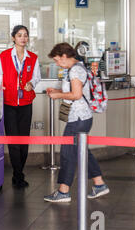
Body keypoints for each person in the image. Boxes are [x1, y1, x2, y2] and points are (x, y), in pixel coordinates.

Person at [44, 43, 109, 202]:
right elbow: (75, 91)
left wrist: (58, 96)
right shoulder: (77, 68)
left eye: (57, 60)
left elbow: (76, 94)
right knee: (82, 151)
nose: (57, 63)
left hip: (78, 118)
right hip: (81, 117)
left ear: (65, 56)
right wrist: (57, 91)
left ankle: (63, 191)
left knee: (67, 153)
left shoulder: (75, 70)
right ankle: (99, 184)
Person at [0, 25, 41, 188]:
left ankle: (19, 172)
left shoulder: (33, 57)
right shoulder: (4, 56)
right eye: (19, 35)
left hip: (26, 103)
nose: (23, 38)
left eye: (25, 35)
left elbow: (36, 77)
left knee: (24, 140)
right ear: (13, 38)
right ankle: (18, 175)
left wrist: (31, 83)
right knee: (13, 141)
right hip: (9, 103)